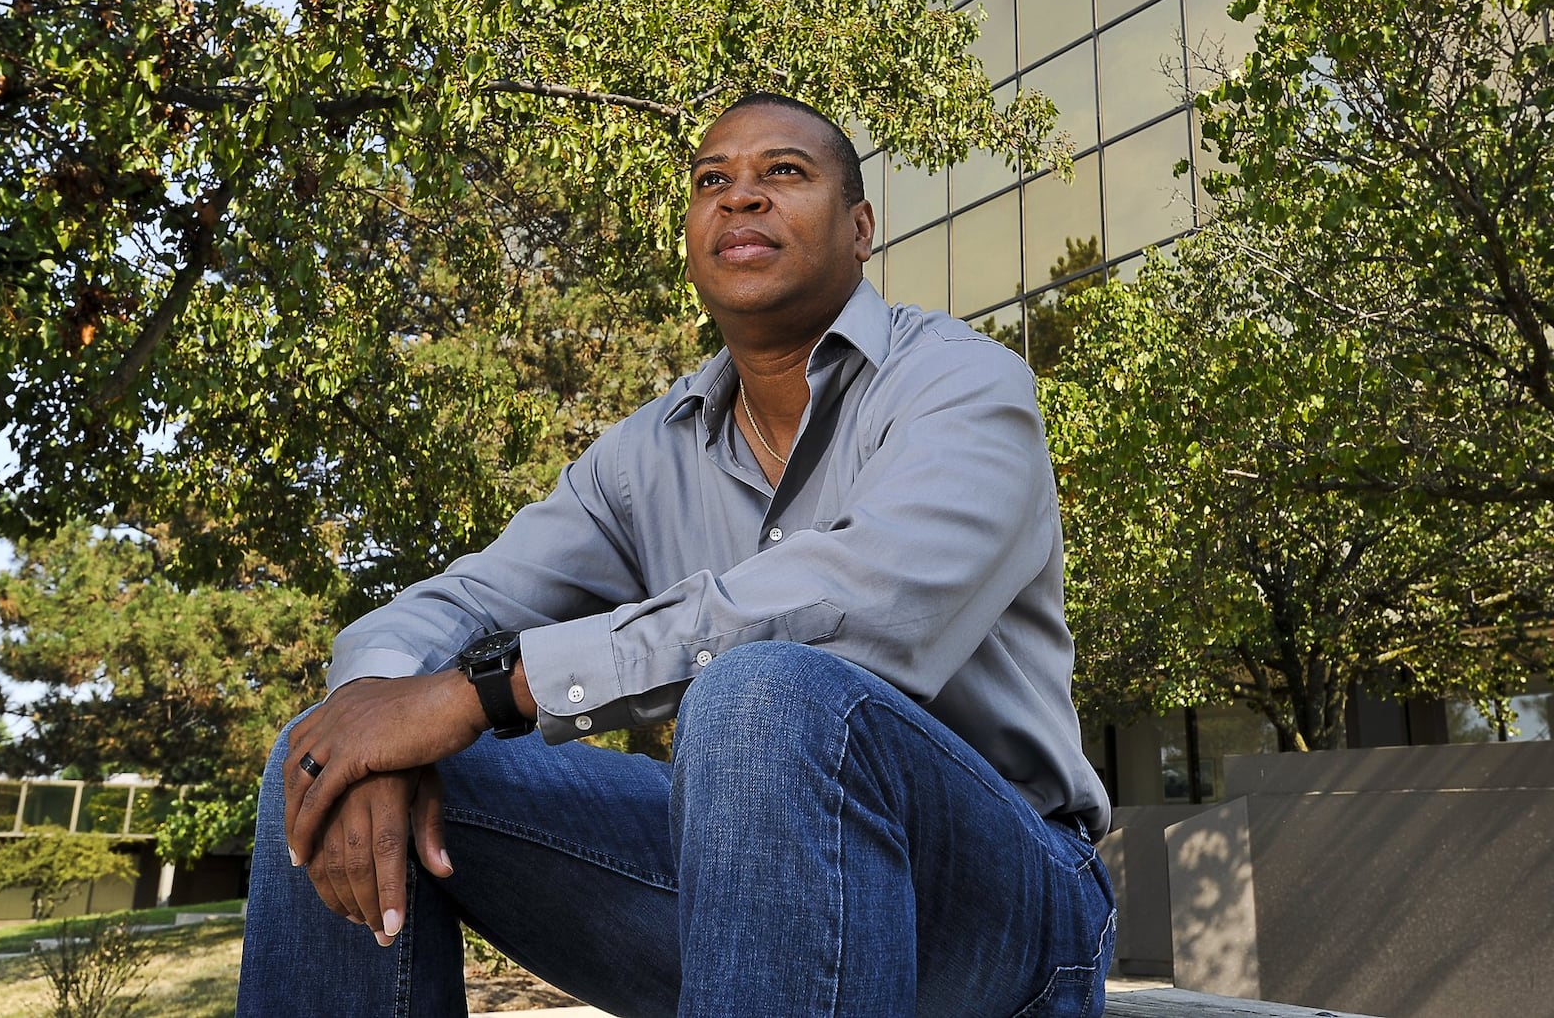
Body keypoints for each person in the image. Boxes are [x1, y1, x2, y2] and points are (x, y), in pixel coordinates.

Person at [235, 93, 1114, 1018]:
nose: (741, 198)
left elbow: (868, 604)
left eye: (783, 171)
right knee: (321, 760)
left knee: (764, 691)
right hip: (745, 891)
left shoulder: (962, 383)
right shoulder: (645, 455)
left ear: (860, 229)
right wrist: (366, 715)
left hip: (1007, 905)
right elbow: (456, 602)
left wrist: (486, 690)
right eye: (712, 180)